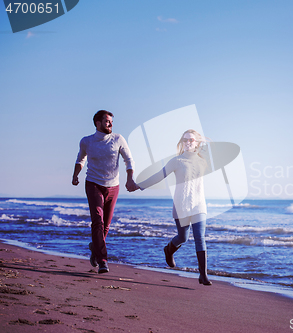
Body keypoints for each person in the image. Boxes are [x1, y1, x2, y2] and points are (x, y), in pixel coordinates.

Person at [138, 129, 212, 285]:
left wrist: (202, 144)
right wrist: (140, 185)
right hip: (181, 205)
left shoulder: (203, 161)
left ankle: (203, 275)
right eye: (185, 140)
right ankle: (168, 250)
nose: (187, 142)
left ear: (196, 143)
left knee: (200, 238)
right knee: (183, 238)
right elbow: (159, 175)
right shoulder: (176, 161)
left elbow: (208, 153)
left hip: (199, 205)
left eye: (191, 140)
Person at [72, 110, 139, 274]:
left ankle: (95, 247)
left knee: (106, 225)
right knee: (98, 220)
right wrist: (75, 175)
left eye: (111, 121)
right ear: (98, 123)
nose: (111, 124)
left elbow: (129, 159)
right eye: (107, 121)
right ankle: (102, 261)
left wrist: (130, 178)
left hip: (113, 186)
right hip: (93, 184)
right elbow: (80, 159)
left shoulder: (118, 138)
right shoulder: (87, 141)